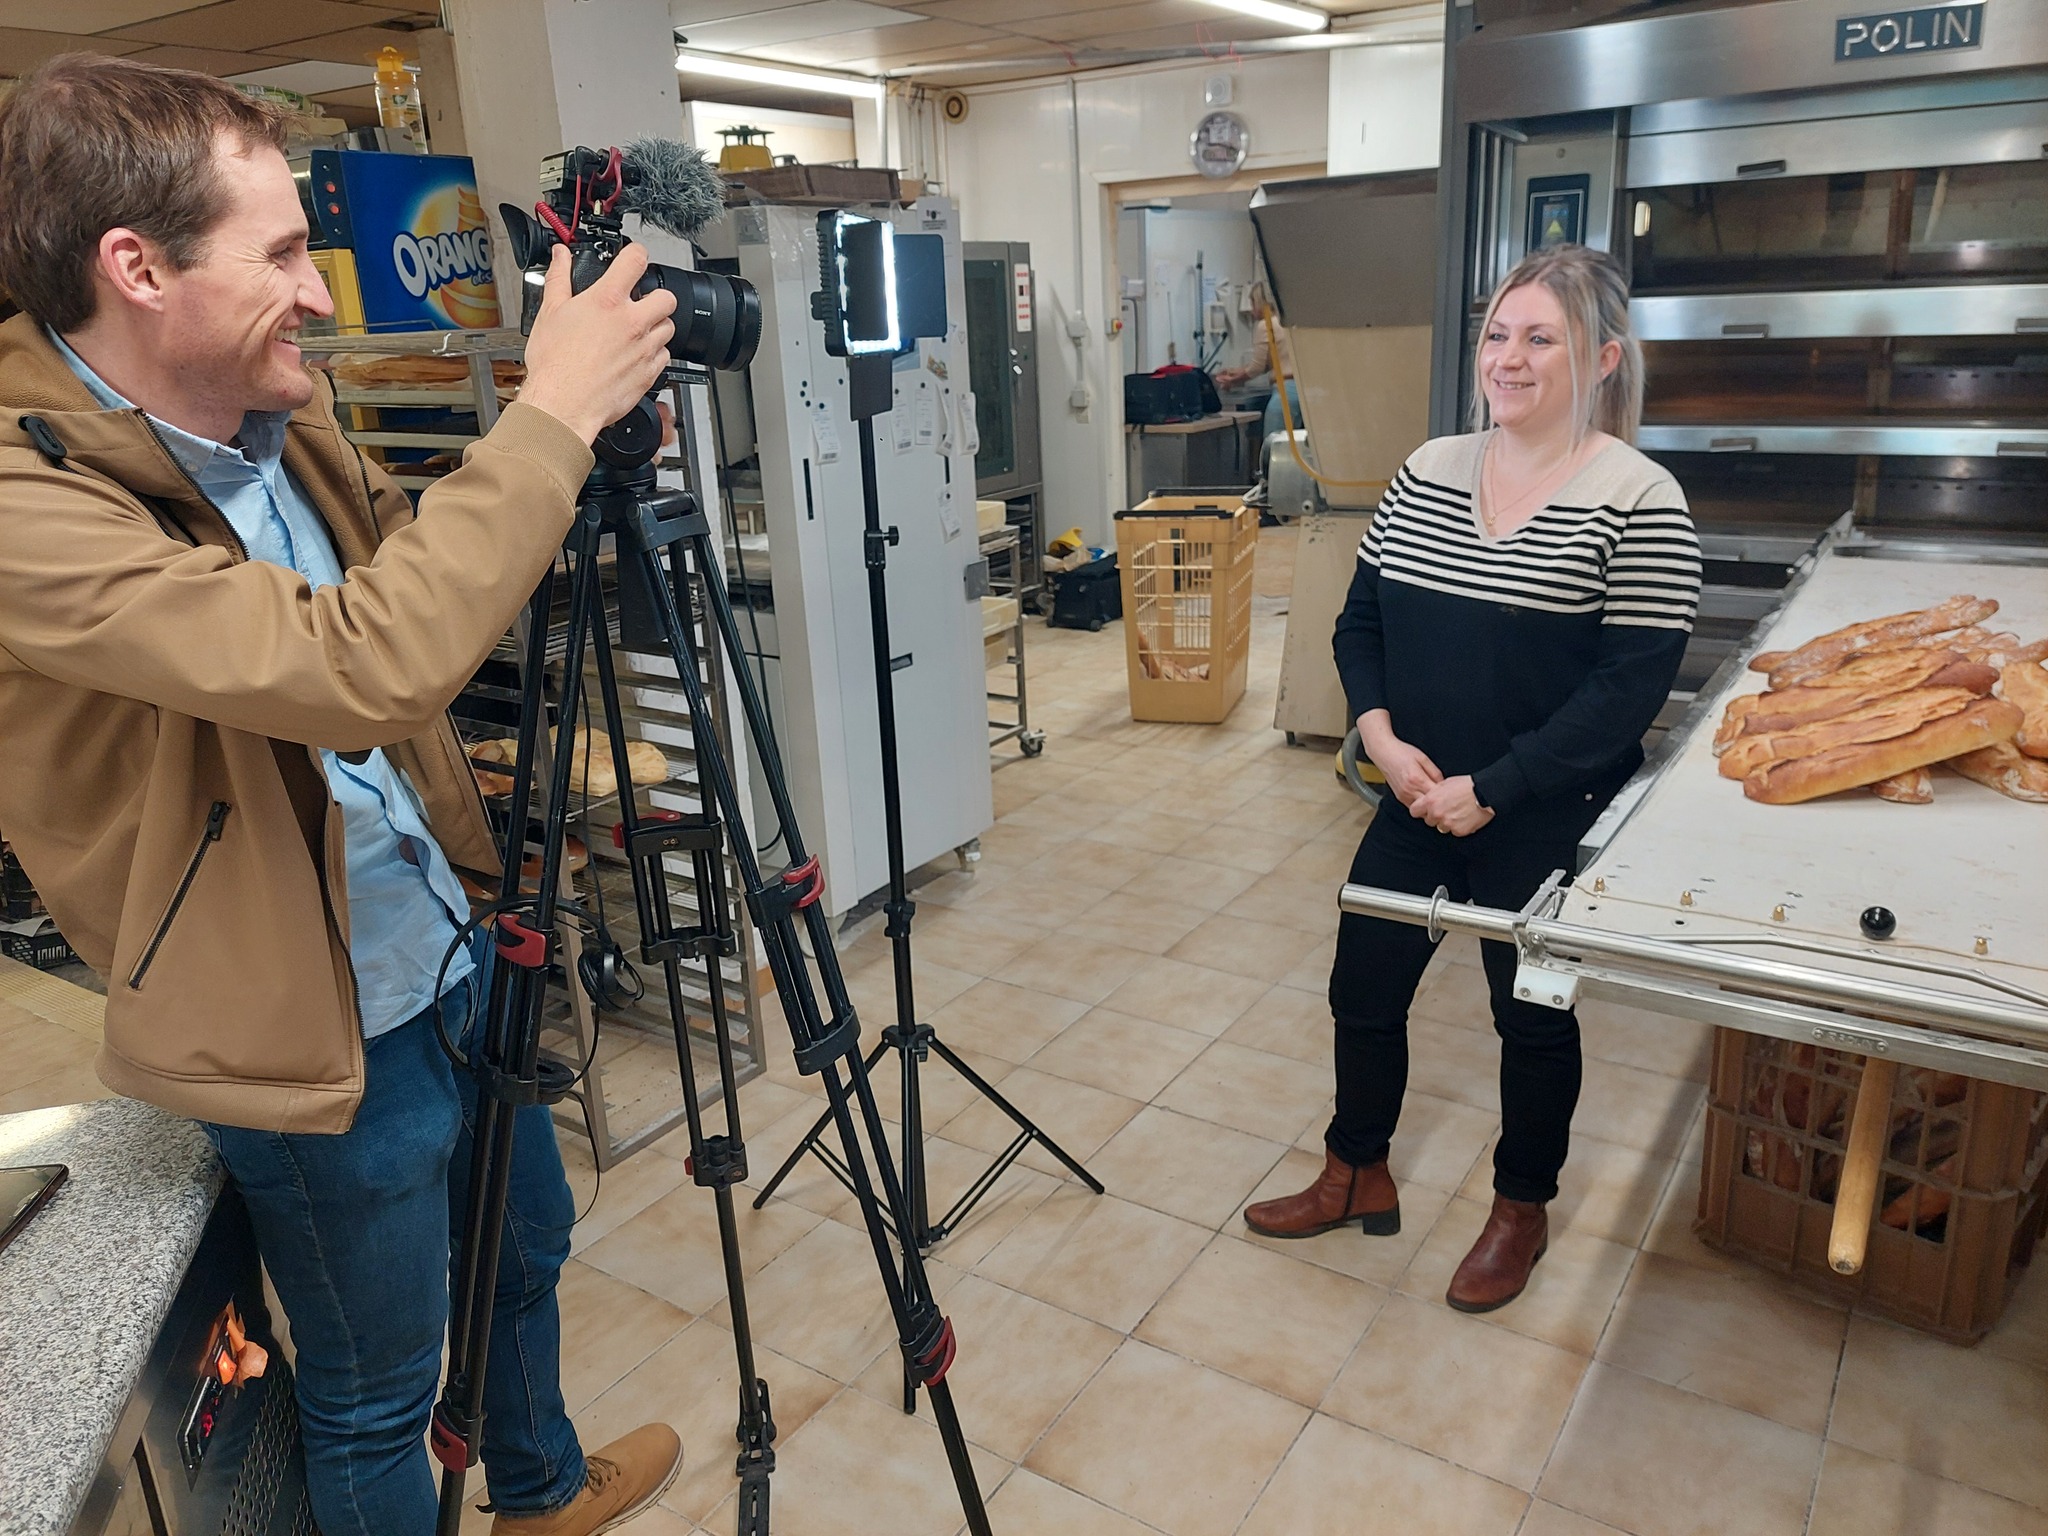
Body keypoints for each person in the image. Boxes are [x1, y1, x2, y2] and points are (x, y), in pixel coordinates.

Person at [0, 56, 683, 1536]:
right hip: (300, 1021)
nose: (319, 296)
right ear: (138, 268)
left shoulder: (277, 412)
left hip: (437, 936)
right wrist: (546, 424)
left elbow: (410, 583)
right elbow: (357, 665)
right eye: (283, 255)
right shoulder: (25, 505)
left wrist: (566, 476)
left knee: (520, 1256)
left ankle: (544, 1495)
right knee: (376, 1389)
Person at [1242, 244, 1702, 1312]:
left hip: (1543, 812)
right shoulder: (1427, 470)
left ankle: (1519, 1209)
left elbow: (1623, 695)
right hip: (1414, 796)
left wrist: (1491, 787)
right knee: (1362, 989)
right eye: (1496, 334)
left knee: (1529, 1017)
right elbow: (1359, 623)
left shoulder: (1639, 500)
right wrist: (1380, 737)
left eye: (1538, 337)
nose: (1508, 356)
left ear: (1599, 358)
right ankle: (1355, 1168)